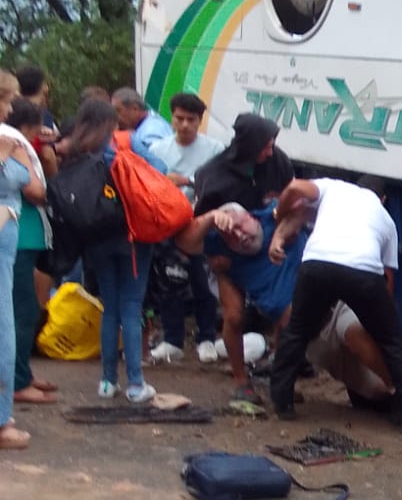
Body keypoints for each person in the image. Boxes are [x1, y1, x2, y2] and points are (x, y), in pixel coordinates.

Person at [268, 176, 402, 429]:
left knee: (297, 331)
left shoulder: (333, 188)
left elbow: (295, 188)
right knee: (393, 341)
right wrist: (383, 317)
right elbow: (387, 275)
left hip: (317, 264)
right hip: (363, 271)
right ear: (383, 199)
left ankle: (282, 402)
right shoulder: (386, 220)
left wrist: (279, 215)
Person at [48, 97, 156, 403]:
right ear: (110, 123)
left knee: (110, 307)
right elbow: (158, 170)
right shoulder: (118, 149)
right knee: (131, 306)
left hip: (94, 242)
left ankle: (108, 382)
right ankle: (135, 384)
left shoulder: (69, 153)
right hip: (130, 238)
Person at [191, 115, 294, 394]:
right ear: (248, 145)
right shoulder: (213, 175)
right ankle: (240, 380)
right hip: (228, 253)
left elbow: (291, 199)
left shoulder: (278, 163)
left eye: (272, 144)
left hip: (270, 245)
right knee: (235, 315)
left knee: (286, 312)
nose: (270, 151)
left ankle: (280, 373)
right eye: (265, 146)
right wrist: (211, 258)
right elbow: (198, 225)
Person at [175, 200, 304, 401]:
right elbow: (185, 242)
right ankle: (240, 381)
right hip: (235, 270)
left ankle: (281, 380)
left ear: (251, 216)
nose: (239, 235)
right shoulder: (218, 242)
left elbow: (303, 204)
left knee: (287, 316)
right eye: (230, 235)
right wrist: (211, 217)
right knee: (233, 317)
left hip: (283, 278)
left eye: (240, 226)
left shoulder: (272, 216)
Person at [149, 92, 224, 364]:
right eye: (179, 118)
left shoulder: (215, 150)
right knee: (169, 282)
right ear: (171, 118)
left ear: (199, 121)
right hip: (167, 223)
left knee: (203, 283)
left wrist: (187, 181)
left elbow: (218, 185)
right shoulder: (157, 150)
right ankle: (172, 340)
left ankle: (206, 338)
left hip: (200, 224)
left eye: (191, 119)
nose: (184, 125)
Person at [0, 70, 44, 450]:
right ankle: (1, 422)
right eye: (4, 99)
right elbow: (34, 188)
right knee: (4, 327)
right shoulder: (6, 141)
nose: (9, 108)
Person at [6, 97, 57, 406]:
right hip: (19, 237)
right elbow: (34, 190)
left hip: (24, 236)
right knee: (23, 311)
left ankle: (22, 372)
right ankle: (17, 381)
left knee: (21, 310)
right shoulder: (15, 143)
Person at [112, 86, 172, 171]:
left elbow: (159, 168)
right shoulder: (148, 120)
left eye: (118, 111)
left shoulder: (151, 131)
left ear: (135, 109)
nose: (115, 116)